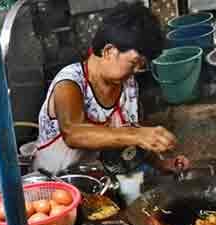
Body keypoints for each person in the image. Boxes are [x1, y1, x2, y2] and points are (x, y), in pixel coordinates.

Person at [33, 3, 188, 174]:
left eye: (142, 66)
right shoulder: (70, 82)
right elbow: (73, 133)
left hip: (97, 181)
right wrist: (139, 134)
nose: (136, 71)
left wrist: (161, 163)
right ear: (108, 51)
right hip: (53, 187)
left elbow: (133, 136)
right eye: (134, 63)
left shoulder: (128, 85)